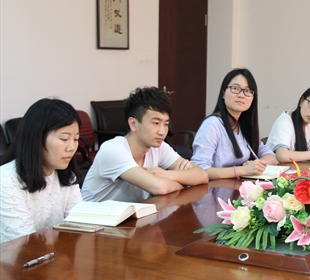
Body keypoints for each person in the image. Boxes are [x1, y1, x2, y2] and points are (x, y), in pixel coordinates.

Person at [82, 87, 208, 202]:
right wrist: (184, 181)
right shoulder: (112, 150)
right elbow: (161, 188)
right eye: (156, 123)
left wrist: (166, 174)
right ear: (133, 124)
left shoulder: (158, 147)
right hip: (93, 218)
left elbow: (202, 176)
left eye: (165, 124)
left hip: (131, 217)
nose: (162, 132)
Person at [0, 98, 83, 243]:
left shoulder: (66, 175)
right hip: (17, 255)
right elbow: (23, 242)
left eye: (76, 139)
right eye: (64, 139)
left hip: (56, 252)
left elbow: (80, 223)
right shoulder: (6, 179)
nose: (71, 148)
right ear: (36, 138)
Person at [191, 68, 277, 180]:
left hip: (237, 187)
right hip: (214, 188)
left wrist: (256, 165)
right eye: (235, 88)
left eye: (248, 91)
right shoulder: (212, 125)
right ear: (223, 93)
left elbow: (270, 156)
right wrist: (242, 170)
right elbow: (199, 170)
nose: (241, 95)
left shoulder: (243, 125)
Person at [267, 85, 310, 163]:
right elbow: (282, 155)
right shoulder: (285, 121)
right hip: (280, 169)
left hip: (300, 169)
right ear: (301, 101)